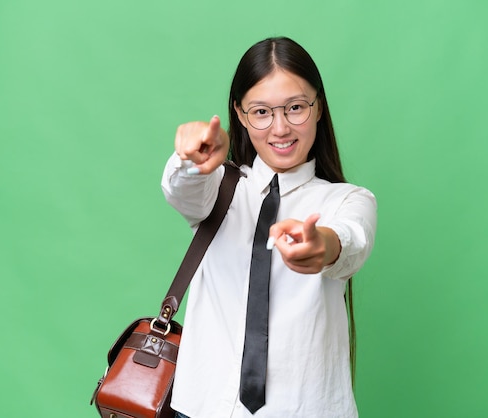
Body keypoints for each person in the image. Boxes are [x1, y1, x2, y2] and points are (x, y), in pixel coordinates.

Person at [161, 36, 377, 418]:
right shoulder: (219, 188)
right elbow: (182, 189)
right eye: (261, 112)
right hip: (201, 406)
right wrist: (192, 159)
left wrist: (322, 246)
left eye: (295, 107)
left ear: (319, 108)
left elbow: (351, 240)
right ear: (241, 115)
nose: (280, 128)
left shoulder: (347, 200)